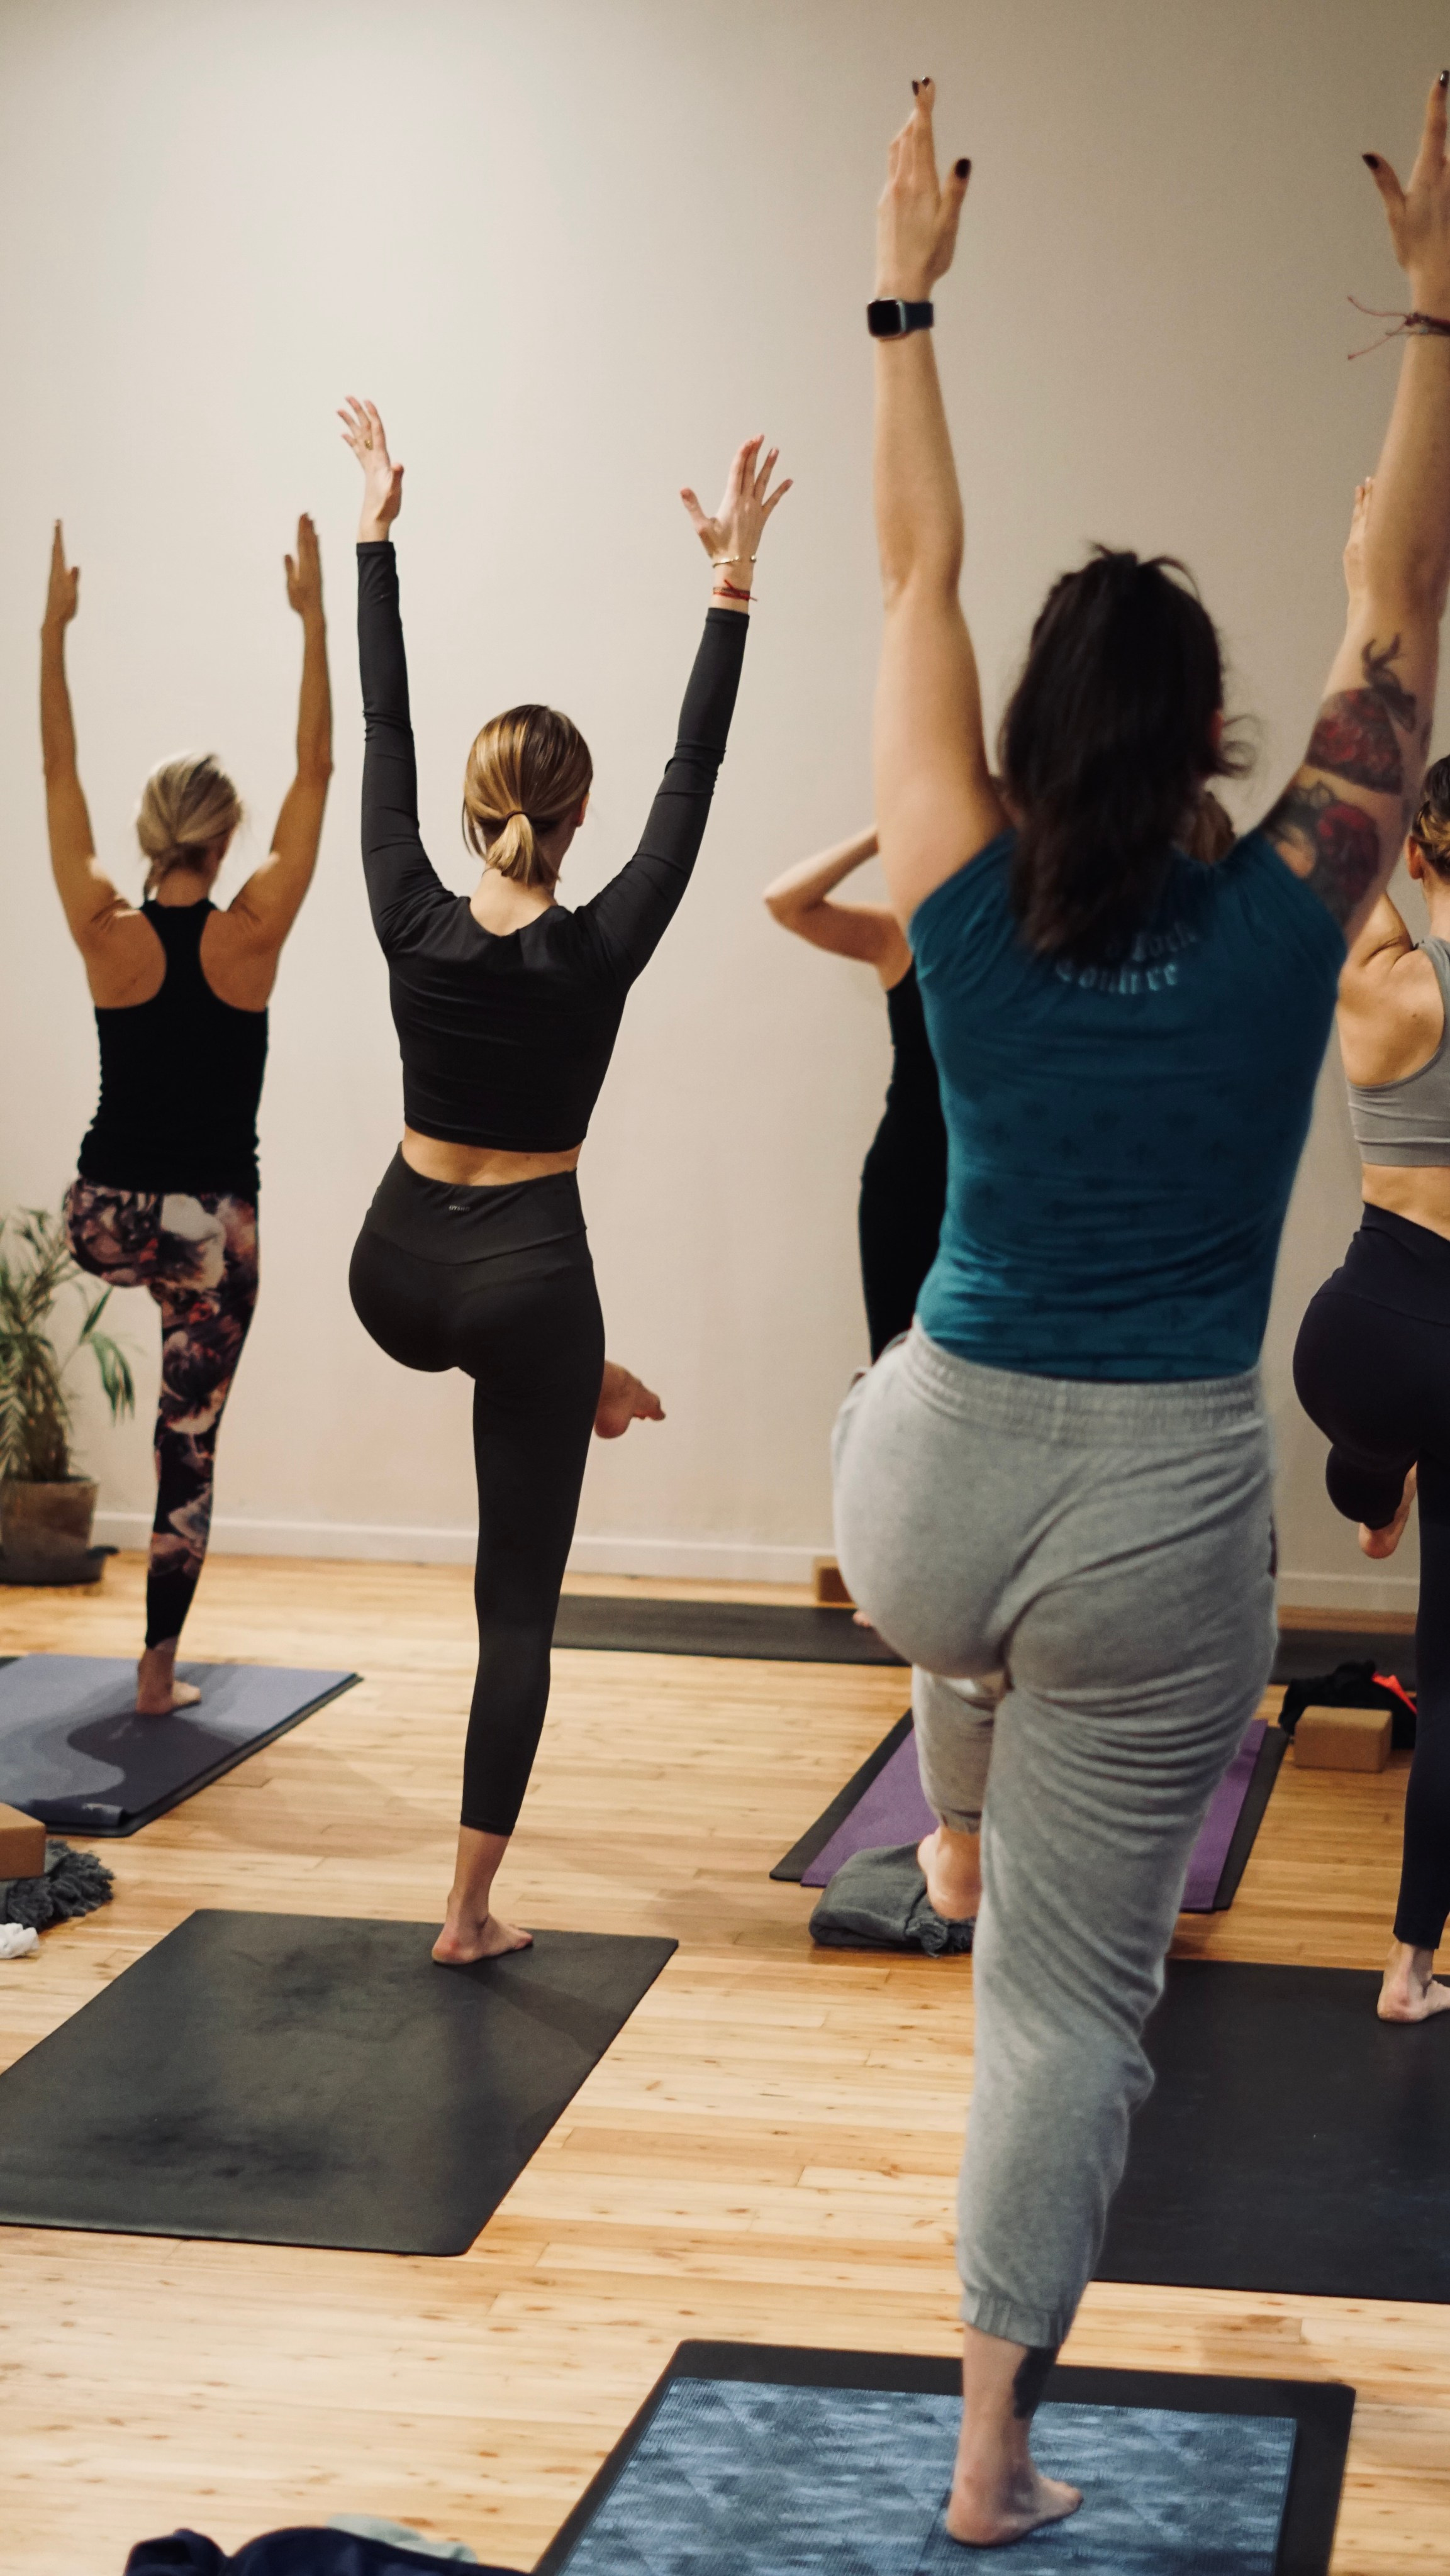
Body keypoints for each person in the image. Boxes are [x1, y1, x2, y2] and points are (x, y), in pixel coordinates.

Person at [831, 72, 1450, 2551]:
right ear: (1212, 734)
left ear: (1026, 738)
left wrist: (905, 295)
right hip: (1154, 1516)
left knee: (941, 1535)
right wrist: (1431, 302)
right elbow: (1395, 609)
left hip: (928, 1489)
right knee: (1074, 2016)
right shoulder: (1303, 910)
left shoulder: (954, 886)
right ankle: (989, 2453)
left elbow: (908, 576)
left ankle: (945, 1772)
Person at [340, 396, 789, 1968]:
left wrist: (378, 532)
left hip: (390, 1268)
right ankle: (466, 1914)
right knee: (514, 1609)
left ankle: (576, 1374)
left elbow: (380, 728)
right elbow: (697, 773)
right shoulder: (601, 942)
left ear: (471, 813)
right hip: (528, 1273)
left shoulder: (403, 901)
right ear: (574, 817)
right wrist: (728, 589)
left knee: (519, 1346)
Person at [43, 517, 333, 1715]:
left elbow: (55, 778)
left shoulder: (104, 931)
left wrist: (52, 638)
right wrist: (315, 623)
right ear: (222, 837)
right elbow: (317, 778)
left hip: (104, 1216)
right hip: (212, 1231)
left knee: (141, 1253)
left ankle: (159, 1667)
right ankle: (157, 1671)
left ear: (153, 833)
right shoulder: (252, 932)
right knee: (188, 1441)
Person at [1294, 487, 1450, 2027]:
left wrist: (1371, 578)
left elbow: (1361, 805)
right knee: (1449, 1679)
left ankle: (1371, 1473)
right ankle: (1410, 1972)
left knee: (1368, 1414)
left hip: (1358, 1325)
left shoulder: (1383, 968)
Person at [764, 827, 947, 1357]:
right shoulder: (906, 935)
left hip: (1000, 1189)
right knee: (893, 1366)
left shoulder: (1049, 943)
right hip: (908, 1184)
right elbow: (786, 902)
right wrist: (886, 830)